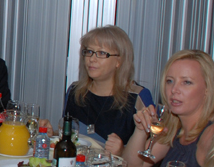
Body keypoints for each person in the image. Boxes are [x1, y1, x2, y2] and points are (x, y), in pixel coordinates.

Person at [122, 49, 214, 167]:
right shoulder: (175, 127)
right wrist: (140, 130)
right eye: (169, 81)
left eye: (186, 82)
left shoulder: (211, 135)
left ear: (208, 89)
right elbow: (132, 166)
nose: (174, 90)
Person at [42, 26, 152, 156]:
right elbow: (71, 139)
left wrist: (122, 152)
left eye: (101, 53)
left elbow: (148, 155)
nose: (92, 59)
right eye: (89, 51)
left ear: (119, 61)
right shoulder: (74, 91)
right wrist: (52, 134)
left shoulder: (138, 96)